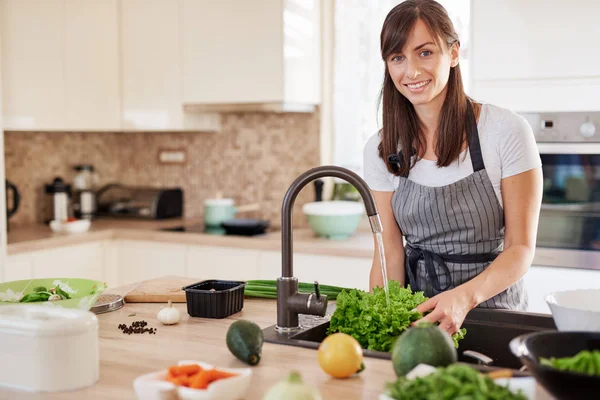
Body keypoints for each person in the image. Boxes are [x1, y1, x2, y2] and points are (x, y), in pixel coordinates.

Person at [363, 0, 543, 335]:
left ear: (454, 53)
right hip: (419, 320)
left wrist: (462, 298)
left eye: (425, 52)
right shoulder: (381, 149)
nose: (411, 71)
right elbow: (388, 254)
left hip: (495, 315)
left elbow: (520, 249)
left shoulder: (505, 131)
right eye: (397, 57)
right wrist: (382, 326)